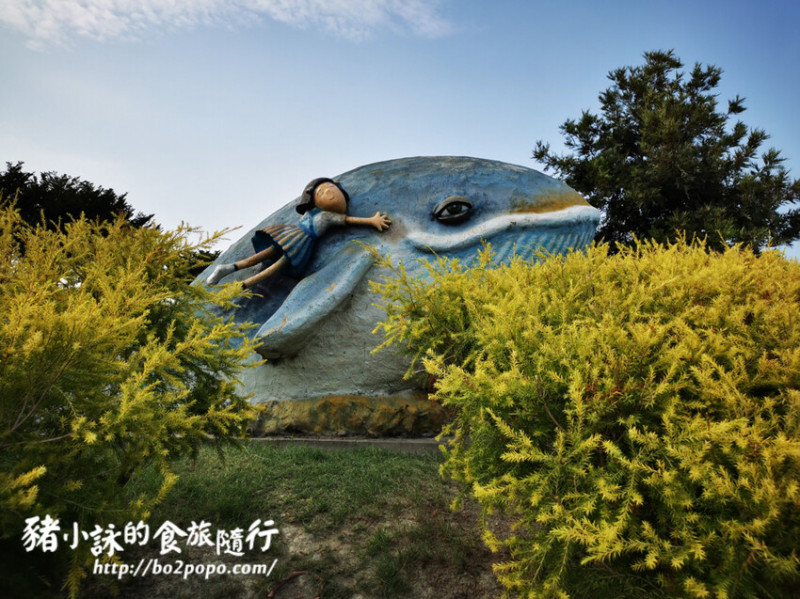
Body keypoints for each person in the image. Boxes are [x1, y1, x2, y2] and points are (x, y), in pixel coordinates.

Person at [207, 178, 391, 288]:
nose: (329, 192)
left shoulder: (324, 215)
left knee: (276, 262)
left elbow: (346, 219)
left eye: (331, 188)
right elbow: (349, 220)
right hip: (296, 237)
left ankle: (236, 280)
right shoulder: (323, 215)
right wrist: (371, 221)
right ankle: (232, 274)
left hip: (298, 238)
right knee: (271, 259)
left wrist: (371, 221)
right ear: (314, 200)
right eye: (323, 192)